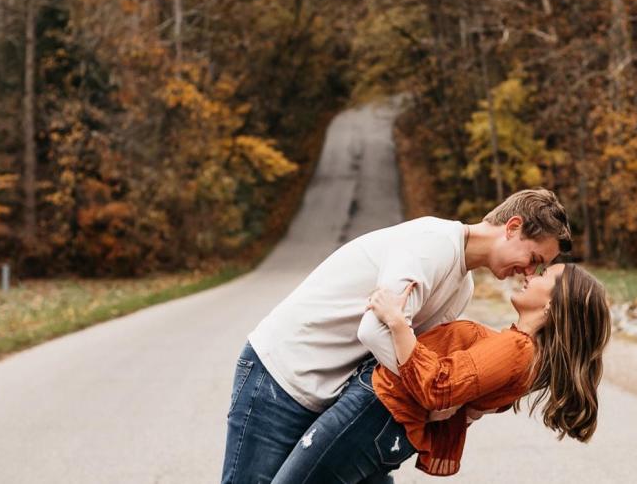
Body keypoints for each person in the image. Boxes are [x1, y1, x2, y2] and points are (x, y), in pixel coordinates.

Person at [221, 189, 572, 483]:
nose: (528, 271)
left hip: (331, 390)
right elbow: (375, 330)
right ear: (512, 227)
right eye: (533, 257)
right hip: (282, 374)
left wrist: (449, 397)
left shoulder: (461, 287)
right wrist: (435, 396)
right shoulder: (431, 244)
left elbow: (411, 354)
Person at [271, 263, 611, 482]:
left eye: (543, 275)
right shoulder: (520, 352)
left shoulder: (517, 349)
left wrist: (395, 320)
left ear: (552, 304)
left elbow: (438, 387)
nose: (530, 275)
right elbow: (462, 401)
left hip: (378, 413)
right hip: (385, 421)